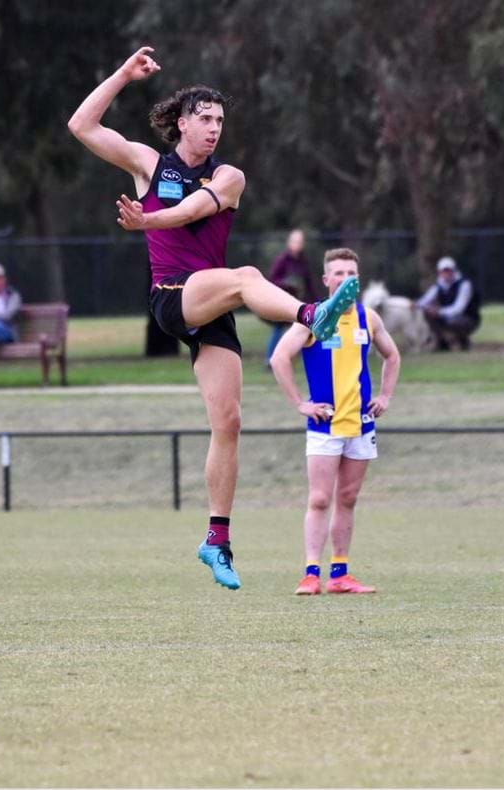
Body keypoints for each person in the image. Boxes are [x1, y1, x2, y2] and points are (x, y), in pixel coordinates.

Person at [67, 46, 360, 590]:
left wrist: (147, 221)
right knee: (247, 275)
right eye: (205, 119)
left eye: (220, 121)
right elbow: (81, 125)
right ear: (182, 123)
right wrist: (123, 76)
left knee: (229, 422)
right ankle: (311, 314)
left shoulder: (230, 177)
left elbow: (193, 211)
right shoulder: (148, 164)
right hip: (173, 295)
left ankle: (216, 539)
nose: (214, 129)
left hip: (211, 300)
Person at [269, 248, 401, 595]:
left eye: (351, 274)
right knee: (319, 499)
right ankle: (311, 573)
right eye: (338, 273)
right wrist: (300, 403)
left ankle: (339, 574)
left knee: (348, 498)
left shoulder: (367, 318)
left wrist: (385, 396)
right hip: (325, 424)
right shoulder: (313, 318)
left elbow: (392, 355)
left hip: (361, 424)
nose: (345, 279)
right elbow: (280, 358)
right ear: (327, 280)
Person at [264, 229, 317, 364]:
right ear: (289, 242)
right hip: (282, 300)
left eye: (299, 242)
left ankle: (292, 359)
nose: (297, 244)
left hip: (298, 302)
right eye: (294, 241)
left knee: (300, 330)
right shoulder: (282, 260)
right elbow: (271, 280)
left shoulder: (303, 262)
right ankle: (269, 359)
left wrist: (316, 301)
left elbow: (309, 283)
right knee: (278, 329)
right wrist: (286, 284)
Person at [417, 256, 480, 351]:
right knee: (428, 314)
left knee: (453, 321)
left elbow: (459, 308)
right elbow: (426, 299)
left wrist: (439, 312)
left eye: (448, 270)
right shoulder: (439, 285)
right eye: (443, 271)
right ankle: (442, 343)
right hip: (447, 316)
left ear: (454, 270)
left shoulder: (464, 284)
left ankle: (464, 341)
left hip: (468, 318)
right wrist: (415, 304)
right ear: (439, 272)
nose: (446, 273)